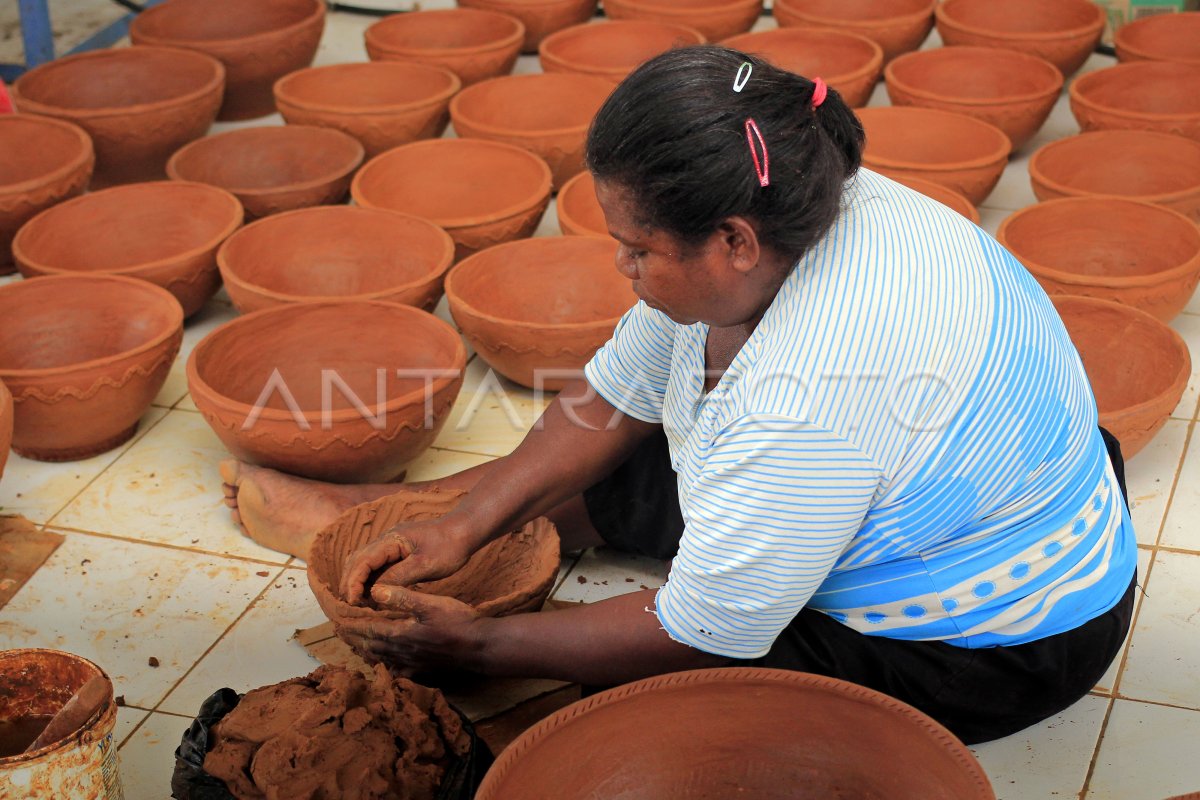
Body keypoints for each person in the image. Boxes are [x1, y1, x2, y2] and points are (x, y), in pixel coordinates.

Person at [221, 45, 1137, 745]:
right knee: (672, 444)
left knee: (656, 700)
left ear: (732, 240)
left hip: (995, 643)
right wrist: (468, 522)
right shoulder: (819, 200)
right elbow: (614, 397)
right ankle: (406, 516)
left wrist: (487, 652)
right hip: (980, 480)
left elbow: (703, 632)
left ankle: (508, 636)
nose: (620, 265)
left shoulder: (802, 401)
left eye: (636, 246)